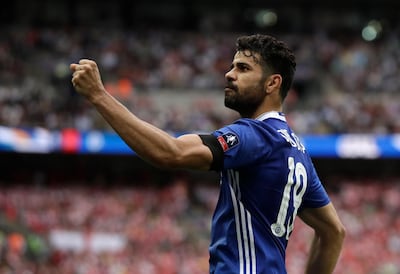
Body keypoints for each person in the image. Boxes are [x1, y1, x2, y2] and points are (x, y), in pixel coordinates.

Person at [70, 34, 345, 274]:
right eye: (232, 66)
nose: (229, 73)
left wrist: (99, 96)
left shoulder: (254, 136)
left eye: (243, 68)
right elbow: (333, 232)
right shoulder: (296, 150)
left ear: (272, 83)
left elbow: (170, 152)